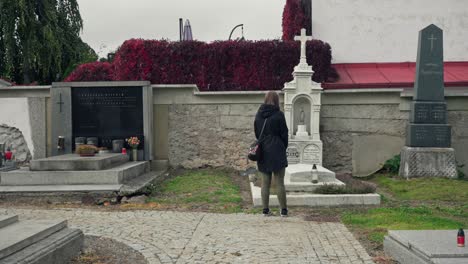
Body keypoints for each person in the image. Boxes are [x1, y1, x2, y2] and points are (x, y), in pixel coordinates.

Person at [254, 91, 289, 217]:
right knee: (279, 181)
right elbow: (284, 133)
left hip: (263, 150)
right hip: (277, 149)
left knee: (265, 182)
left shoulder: (258, 115)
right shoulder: (279, 115)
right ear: (276, 100)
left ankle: (265, 210)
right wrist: (282, 146)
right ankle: (283, 210)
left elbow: (257, 133)